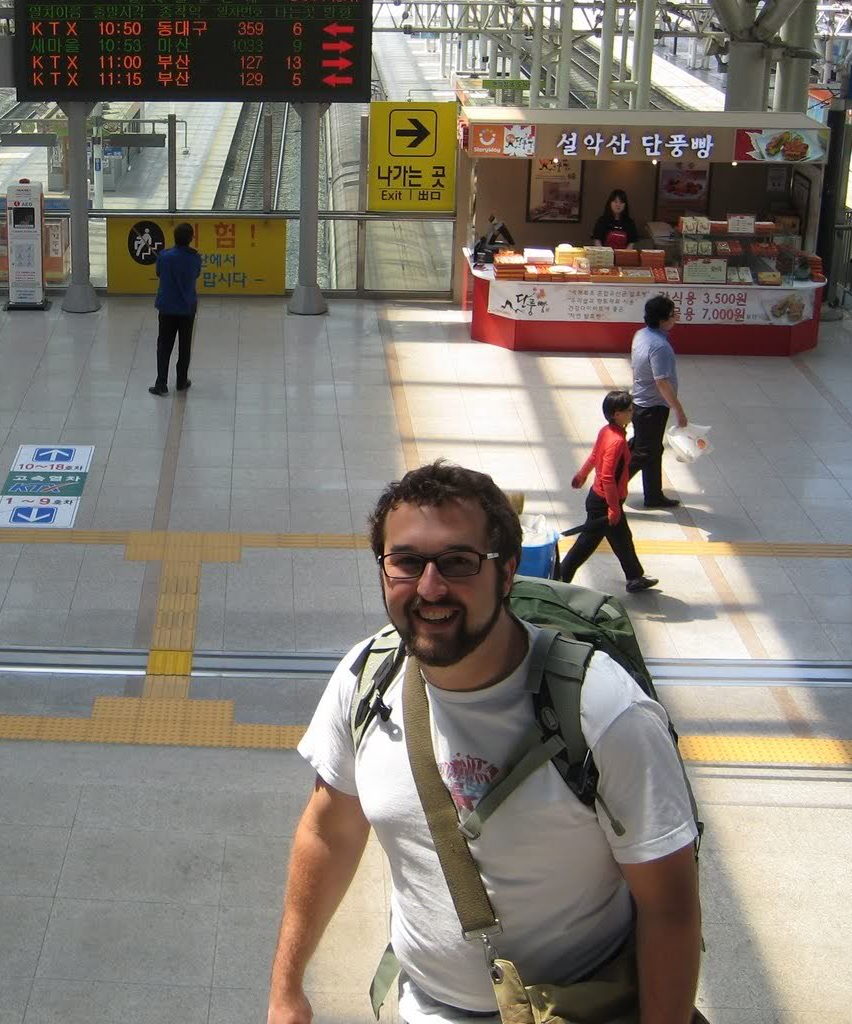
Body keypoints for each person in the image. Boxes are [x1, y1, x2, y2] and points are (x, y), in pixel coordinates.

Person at [269, 461, 700, 1024]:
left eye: (458, 562)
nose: (430, 588)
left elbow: (669, 908)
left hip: (576, 1010)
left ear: (507, 571)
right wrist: (286, 989)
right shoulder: (365, 679)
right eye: (406, 562)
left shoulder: (604, 711)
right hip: (426, 1008)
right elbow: (329, 831)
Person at [562, 391, 659, 594]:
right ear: (617, 414)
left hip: (601, 499)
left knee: (622, 539)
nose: (632, 413)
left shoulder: (606, 431)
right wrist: (614, 508)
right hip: (604, 503)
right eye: (629, 410)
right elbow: (608, 477)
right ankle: (558, 579)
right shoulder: (616, 441)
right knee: (585, 546)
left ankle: (634, 577)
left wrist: (582, 475)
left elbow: (594, 455)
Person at [629, 295, 687, 510]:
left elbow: (636, 368)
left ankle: (653, 495)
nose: (675, 318)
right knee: (644, 453)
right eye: (673, 315)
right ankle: (608, 488)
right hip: (652, 407)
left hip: (641, 401)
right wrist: (679, 410)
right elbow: (661, 381)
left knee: (652, 450)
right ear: (662, 320)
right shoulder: (660, 346)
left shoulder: (641, 335)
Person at [149, 221, 201, 397]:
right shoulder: (195, 258)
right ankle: (181, 381)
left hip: (167, 307)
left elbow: (158, 273)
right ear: (190, 239)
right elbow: (196, 274)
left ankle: (161, 383)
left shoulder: (164, 256)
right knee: (185, 346)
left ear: (175, 237)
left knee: (164, 346)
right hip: (187, 308)